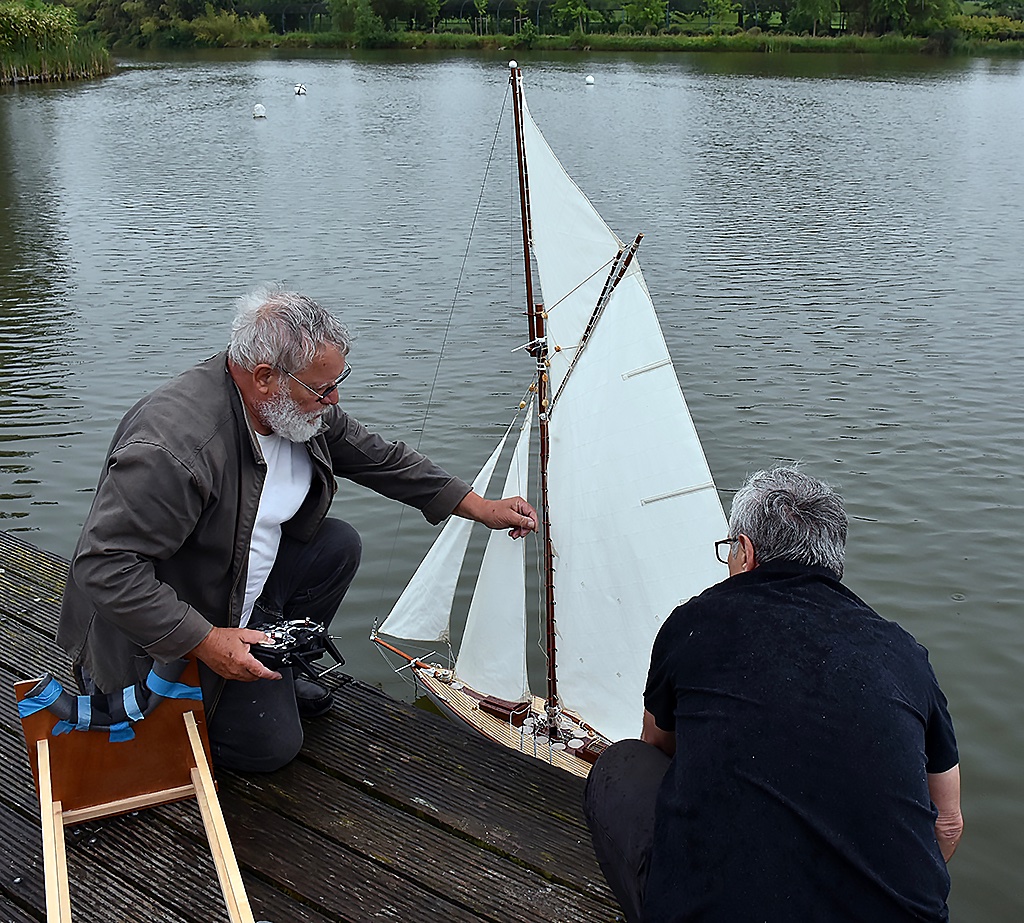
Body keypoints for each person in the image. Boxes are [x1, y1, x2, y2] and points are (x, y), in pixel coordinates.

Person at [57, 286, 537, 772]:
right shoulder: (175, 449)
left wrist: (478, 507)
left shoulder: (293, 407)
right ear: (265, 378)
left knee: (337, 545)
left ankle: (276, 666)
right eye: (322, 389)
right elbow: (104, 567)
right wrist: (206, 640)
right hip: (157, 640)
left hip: (238, 592)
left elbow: (380, 458)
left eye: (337, 383)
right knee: (270, 750)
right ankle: (196, 700)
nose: (333, 401)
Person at [583, 466, 962, 923]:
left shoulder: (695, 623)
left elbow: (657, 746)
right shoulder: (904, 653)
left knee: (622, 763)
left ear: (744, 552)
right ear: (833, 560)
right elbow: (947, 822)